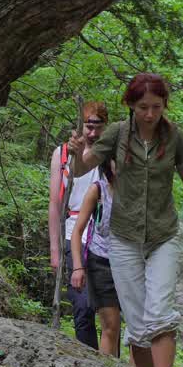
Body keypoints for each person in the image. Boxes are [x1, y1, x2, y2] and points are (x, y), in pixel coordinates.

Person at [70, 73, 183, 367]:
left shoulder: (174, 137)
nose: (150, 114)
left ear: (165, 104)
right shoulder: (117, 134)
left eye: (156, 106)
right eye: (142, 107)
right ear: (130, 106)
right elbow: (82, 168)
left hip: (163, 235)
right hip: (123, 240)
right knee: (137, 326)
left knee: (160, 314)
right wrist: (75, 152)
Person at [49, 102, 106, 349]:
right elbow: (55, 203)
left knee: (107, 311)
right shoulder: (61, 154)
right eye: (88, 126)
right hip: (73, 235)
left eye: (98, 126)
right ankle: (91, 364)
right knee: (82, 309)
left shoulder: (109, 153)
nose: (92, 133)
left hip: (104, 236)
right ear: (80, 126)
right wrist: (54, 251)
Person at [70, 160, 121, 357]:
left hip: (131, 263)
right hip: (101, 262)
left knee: (137, 327)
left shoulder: (139, 192)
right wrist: (77, 267)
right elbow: (77, 231)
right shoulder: (97, 190)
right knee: (111, 326)